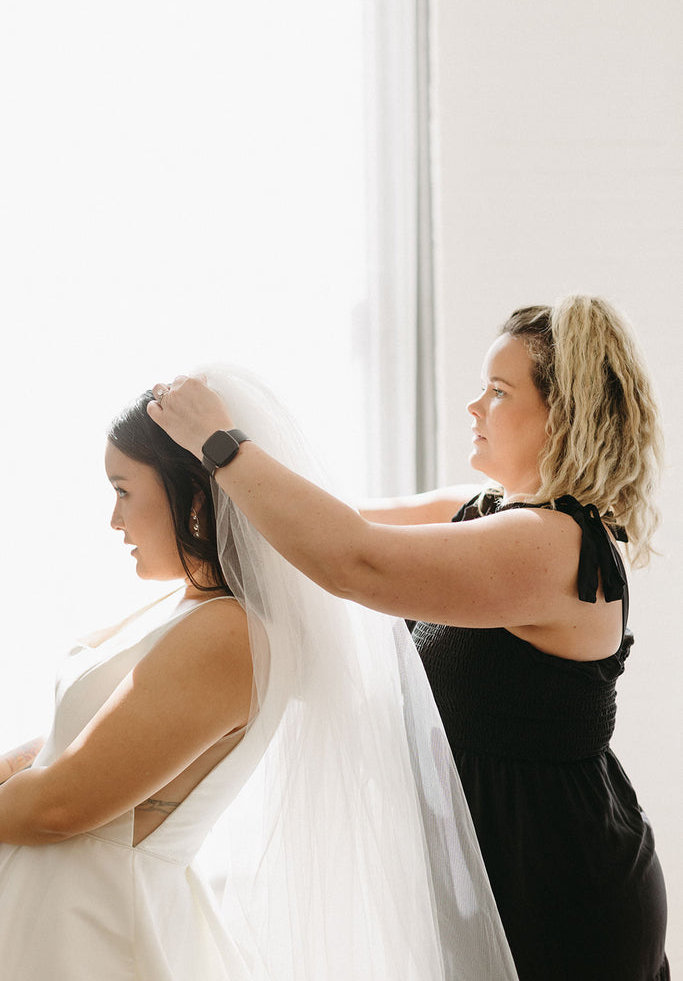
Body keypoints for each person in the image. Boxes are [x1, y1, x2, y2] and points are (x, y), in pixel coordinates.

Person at [150, 296, 670, 981]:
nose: (472, 407)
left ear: (561, 416)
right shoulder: (483, 513)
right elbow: (327, 521)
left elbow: (354, 561)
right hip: (488, 872)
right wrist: (205, 477)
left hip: (557, 884)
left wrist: (221, 444)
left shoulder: (554, 544)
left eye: (498, 391)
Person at [0, 370, 518, 980]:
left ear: (193, 499)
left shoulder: (229, 634)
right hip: (55, 906)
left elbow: (63, 804)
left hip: (88, 930)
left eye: (122, 491)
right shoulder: (185, 605)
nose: (114, 521)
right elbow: (68, 745)